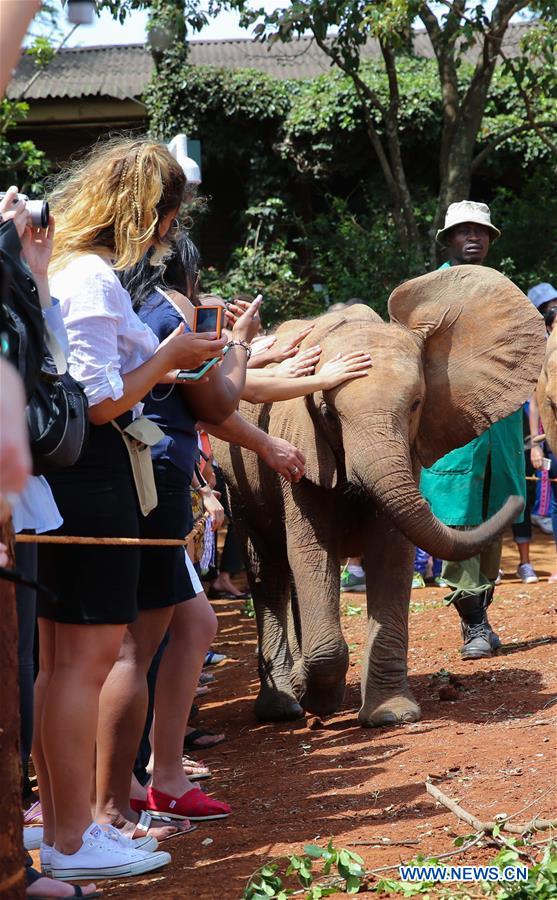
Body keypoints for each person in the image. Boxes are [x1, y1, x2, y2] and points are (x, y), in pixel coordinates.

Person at [35, 137, 228, 881]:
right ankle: (74, 838)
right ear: (150, 215)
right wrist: (169, 360)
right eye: (168, 220)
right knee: (81, 664)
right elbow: (96, 399)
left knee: (64, 667)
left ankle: (67, 830)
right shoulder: (90, 277)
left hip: (82, 482)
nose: (167, 237)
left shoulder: (67, 268)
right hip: (96, 478)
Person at [420, 201, 527, 660]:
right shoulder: (428, 293)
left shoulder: (505, 291)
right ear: (446, 239)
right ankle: (475, 626)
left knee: (495, 522)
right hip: (453, 428)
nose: (472, 238)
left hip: (501, 428)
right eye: (462, 231)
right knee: (459, 520)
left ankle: (480, 618)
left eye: (480, 232)